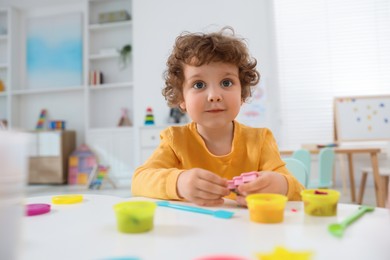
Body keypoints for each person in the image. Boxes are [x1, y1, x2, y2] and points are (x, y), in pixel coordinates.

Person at [131, 27, 304, 206]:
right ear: (181, 98)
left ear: (242, 94)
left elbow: (299, 192)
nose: (214, 95)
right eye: (199, 84)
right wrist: (179, 182)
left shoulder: (260, 140)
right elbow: (139, 181)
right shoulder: (175, 140)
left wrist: (279, 185)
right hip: (194, 230)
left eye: (226, 82)